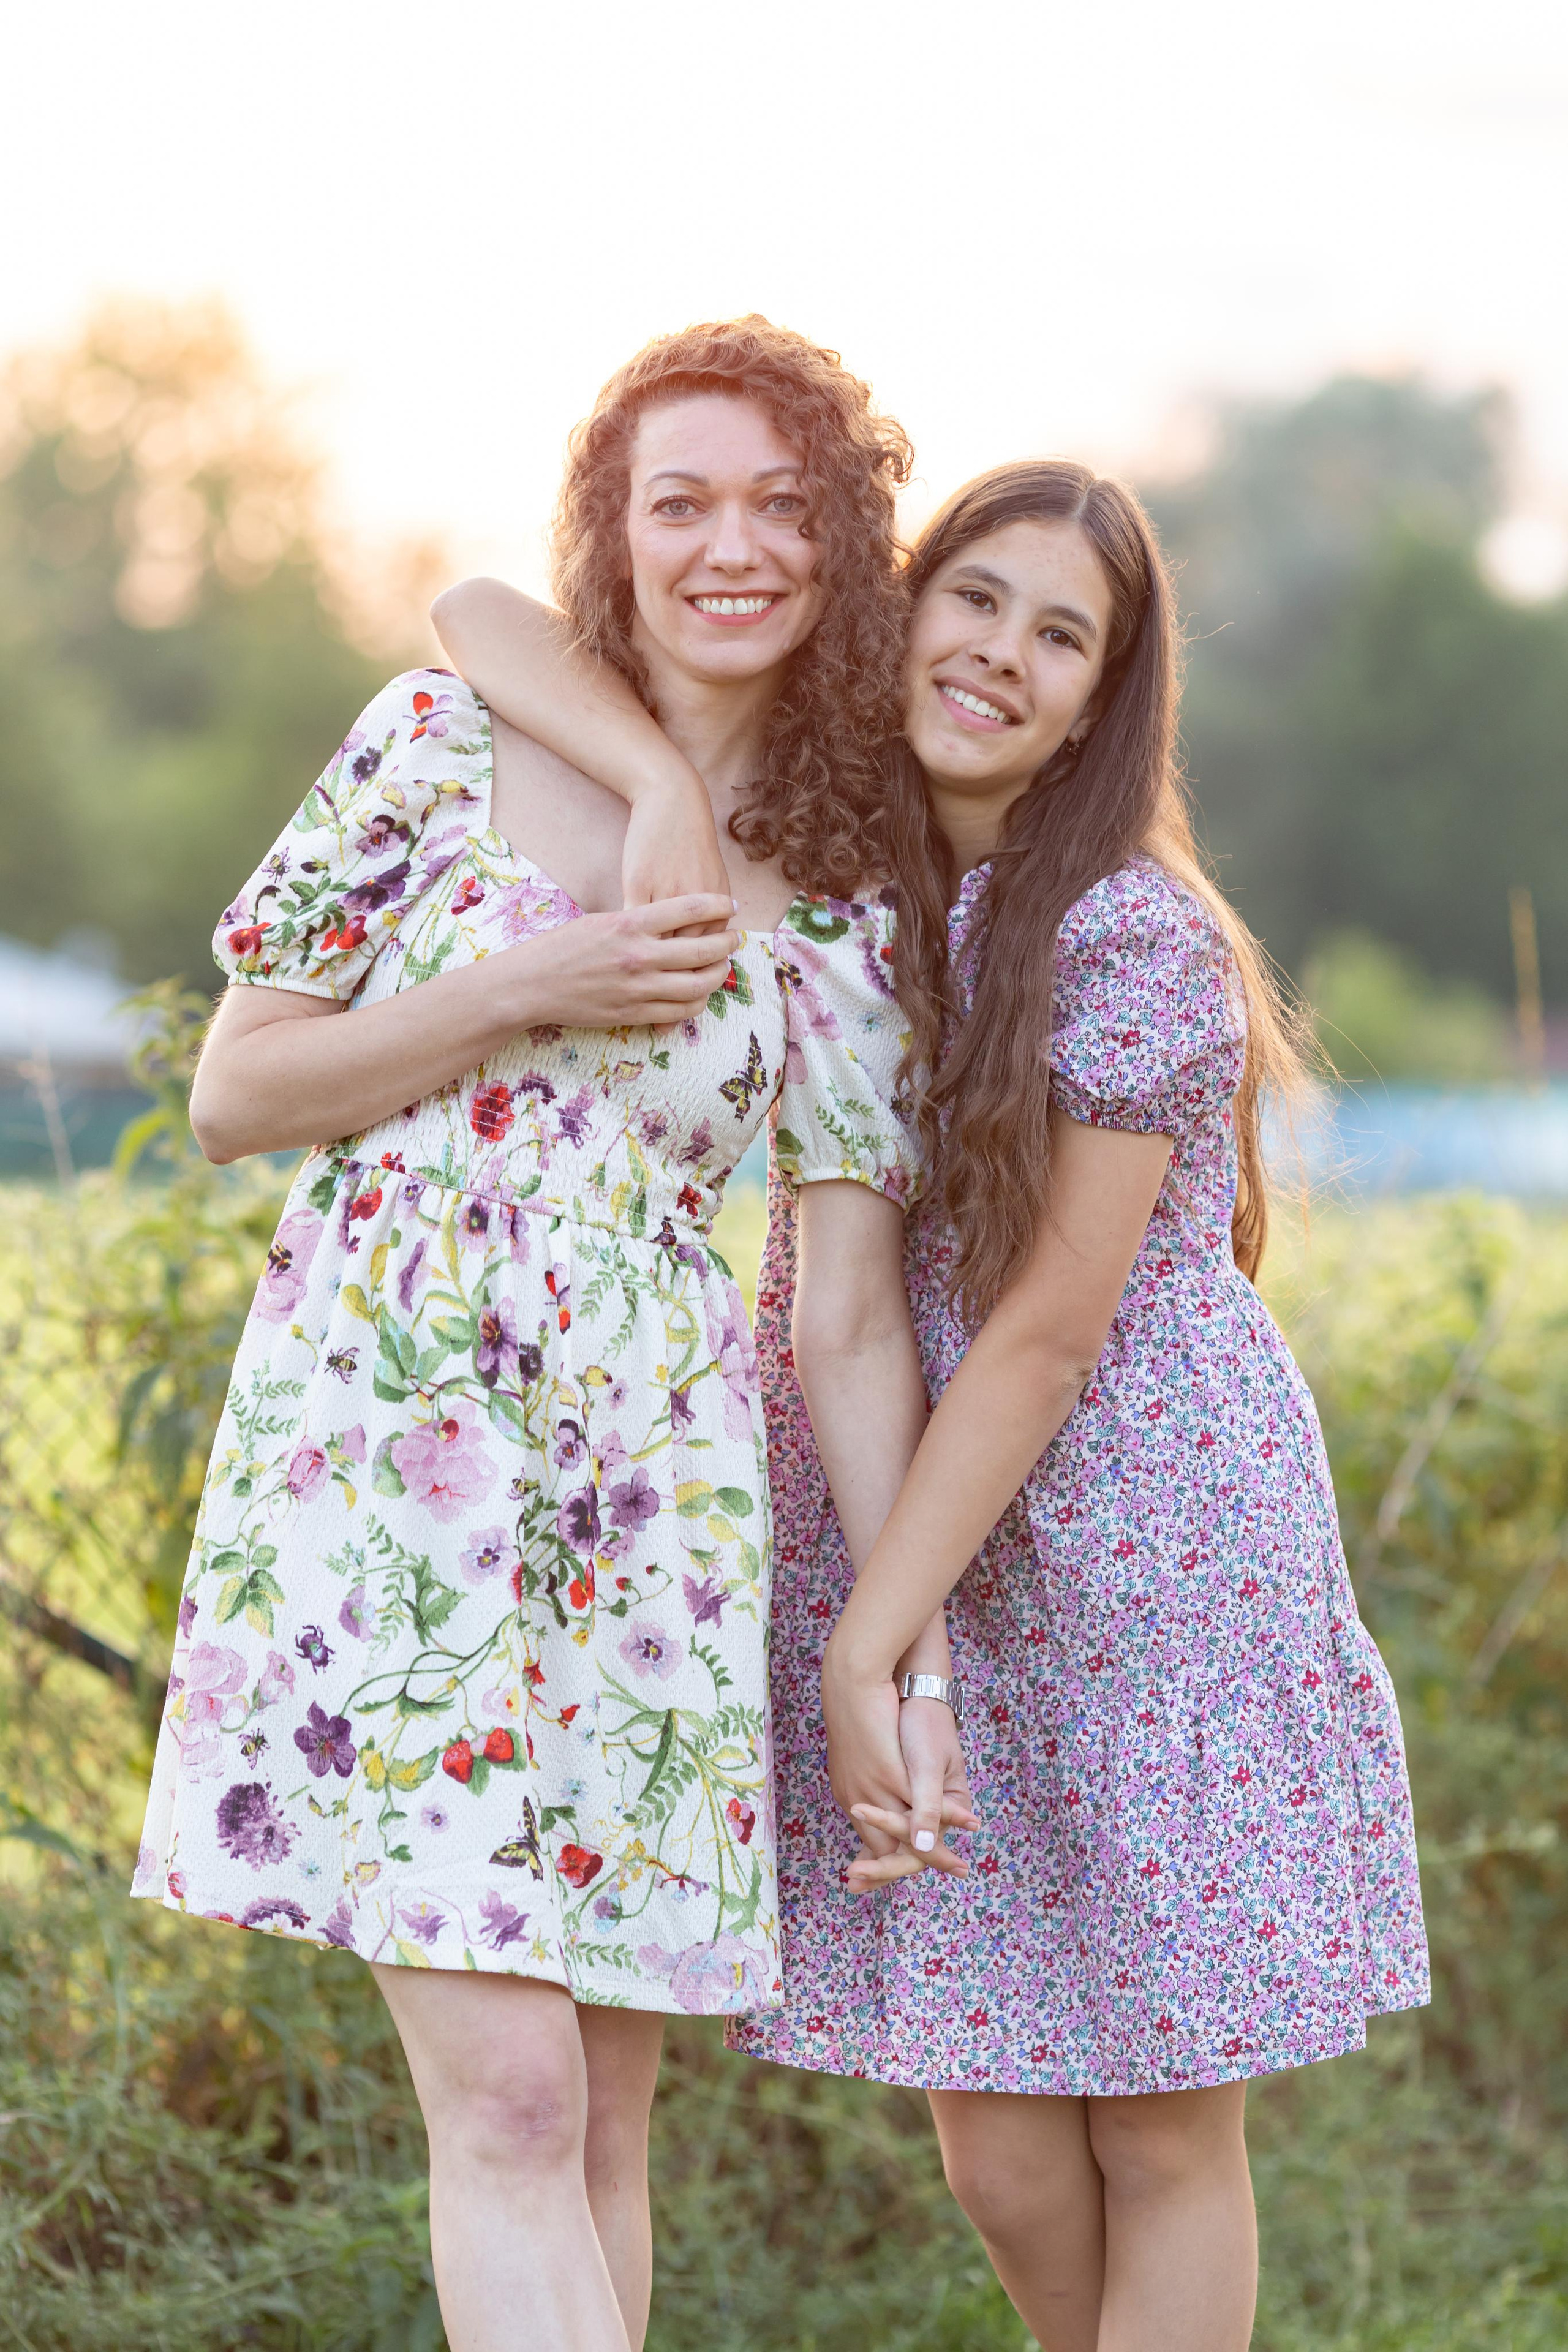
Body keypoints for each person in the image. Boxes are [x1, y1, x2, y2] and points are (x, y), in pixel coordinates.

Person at [432, 459, 1430, 2351]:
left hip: (1138, 1535)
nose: (1001, 655)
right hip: (912, 1500)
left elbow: (1050, 1334)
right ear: (905, 610)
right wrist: (654, 781)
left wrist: (871, 1640)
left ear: (1105, 699)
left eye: (1065, 636)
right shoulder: (843, 875)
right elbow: (480, 621)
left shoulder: (1126, 935)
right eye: (974, 599)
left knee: (1150, 2122)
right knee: (998, 2148)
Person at [131, 317, 941, 2352]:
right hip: (391, 1454)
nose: (728, 546)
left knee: (593, 2123)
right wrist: (534, 984)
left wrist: (897, 1642)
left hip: (654, 1504)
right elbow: (243, 1088)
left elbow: (843, 1313)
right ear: (615, 534)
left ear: (844, 545)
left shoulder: (850, 905)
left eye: (780, 504)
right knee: (502, 2091)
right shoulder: (430, 740)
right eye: (680, 502)